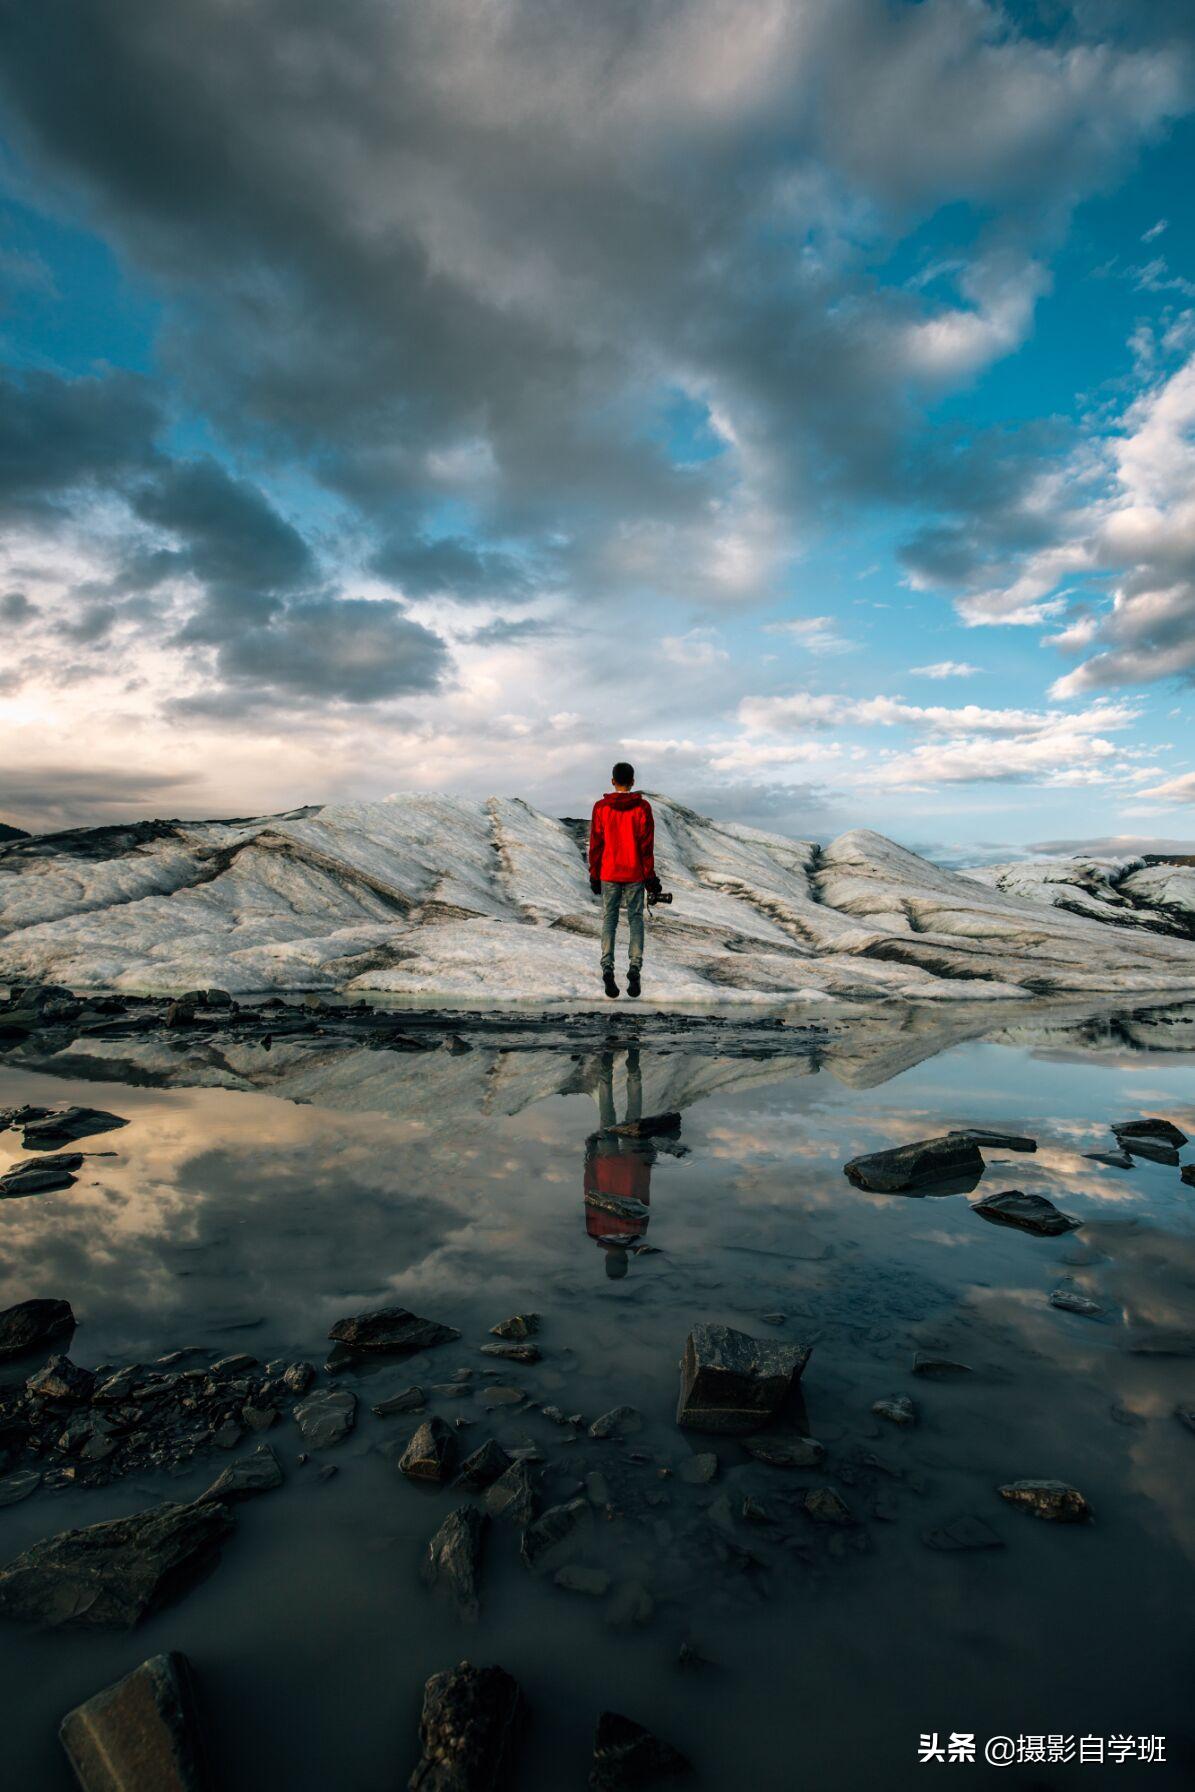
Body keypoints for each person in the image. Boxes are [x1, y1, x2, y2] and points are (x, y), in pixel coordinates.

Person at [588, 760, 661, 999]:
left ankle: (607, 968)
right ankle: (634, 968)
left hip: (609, 872)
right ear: (632, 782)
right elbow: (645, 847)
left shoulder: (601, 808)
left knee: (610, 920)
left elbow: (596, 844)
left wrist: (594, 874)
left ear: (612, 781)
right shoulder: (642, 808)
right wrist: (650, 877)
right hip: (634, 874)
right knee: (635, 920)